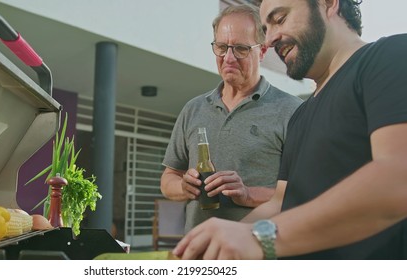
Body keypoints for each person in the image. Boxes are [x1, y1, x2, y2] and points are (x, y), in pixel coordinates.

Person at [172, 0, 407, 260]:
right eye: (266, 28)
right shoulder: (300, 115)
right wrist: (215, 246)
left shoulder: (391, 56)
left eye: (280, 19)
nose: (270, 40)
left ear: (329, 4)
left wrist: (259, 238)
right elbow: (279, 202)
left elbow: (398, 176)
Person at [160, 3, 303, 233]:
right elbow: (169, 178)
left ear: (263, 51)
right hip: (199, 254)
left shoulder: (292, 110)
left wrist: (247, 194)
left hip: (260, 255)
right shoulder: (193, 109)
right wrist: (184, 187)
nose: (228, 57)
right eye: (221, 47)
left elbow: (304, 193)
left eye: (240, 48)